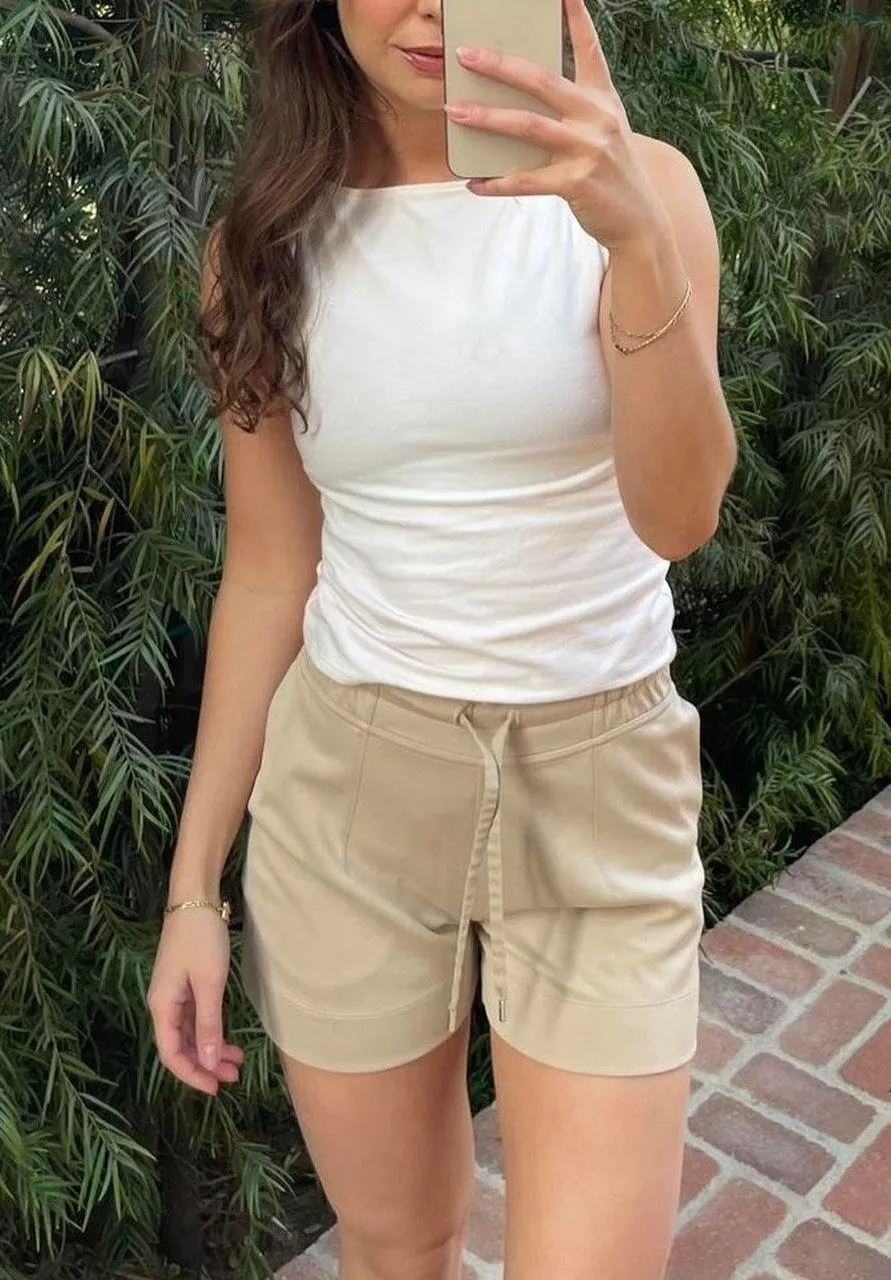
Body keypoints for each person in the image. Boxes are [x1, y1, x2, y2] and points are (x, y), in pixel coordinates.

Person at [148, 0, 737, 1276]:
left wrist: (633, 238)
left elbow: (680, 516)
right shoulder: (263, 241)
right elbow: (271, 573)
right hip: (349, 794)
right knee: (399, 1243)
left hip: (598, 796)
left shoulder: (650, 193)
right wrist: (195, 886)